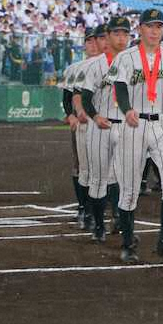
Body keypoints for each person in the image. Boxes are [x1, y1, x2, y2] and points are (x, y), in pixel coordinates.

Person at [111, 8, 163, 264]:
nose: (155, 31)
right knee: (130, 188)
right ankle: (128, 243)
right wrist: (126, 109)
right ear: (140, 29)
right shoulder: (126, 58)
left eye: (159, 26)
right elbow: (120, 87)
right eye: (150, 26)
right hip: (135, 124)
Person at [79, 16, 129, 243]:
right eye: (117, 33)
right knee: (99, 179)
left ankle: (118, 217)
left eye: (125, 33)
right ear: (107, 36)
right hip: (100, 126)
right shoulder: (96, 65)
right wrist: (95, 116)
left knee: (121, 177)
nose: (122, 38)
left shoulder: (133, 63)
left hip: (125, 125)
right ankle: (98, 225)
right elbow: (86, 98)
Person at [60, 25, 106, 230]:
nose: (93, 44)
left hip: (106, 123)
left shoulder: (111, 65)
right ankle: (83, 207)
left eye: (96, 40)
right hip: (84, 122)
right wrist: (71, 114)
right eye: (89, 41)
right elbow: (68, 97)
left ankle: (102, 211)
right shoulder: (75, 68)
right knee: (82, 167)